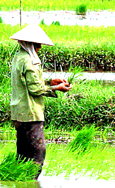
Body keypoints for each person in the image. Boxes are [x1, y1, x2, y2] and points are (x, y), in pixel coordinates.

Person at [10, 25, 72, 179]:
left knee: (23, 153)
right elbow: (35, 90)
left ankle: (20, 183)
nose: (39, 48)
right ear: (29, 44)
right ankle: (30, 183)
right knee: (38, 151)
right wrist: (57, 88)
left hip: (19, 112)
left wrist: (51, 81)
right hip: (31, 113)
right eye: (37, 45)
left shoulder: (18, 57)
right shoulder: (29, 61)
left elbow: (30, 82)